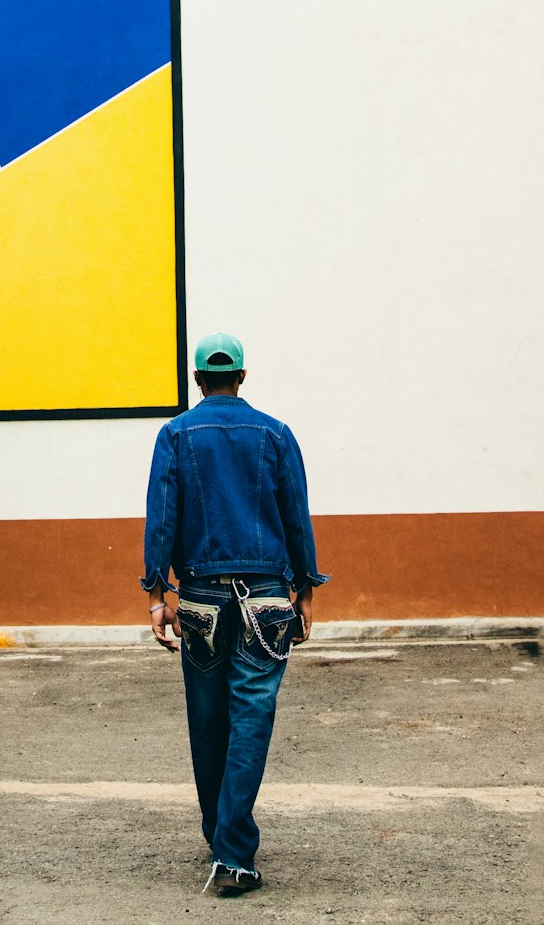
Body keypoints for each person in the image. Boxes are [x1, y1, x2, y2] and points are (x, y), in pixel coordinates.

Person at [141, 332, 327, 896]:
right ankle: (233, 853)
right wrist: (307, 589)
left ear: (198, 380)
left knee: (208, 723)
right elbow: (297, 513)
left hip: (199, 601)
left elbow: (162, 516)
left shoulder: (174, 435)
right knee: (252, 719)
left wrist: (157, 592)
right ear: (243, 377)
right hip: (267, 599)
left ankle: (221, 838)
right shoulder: (275, 433)